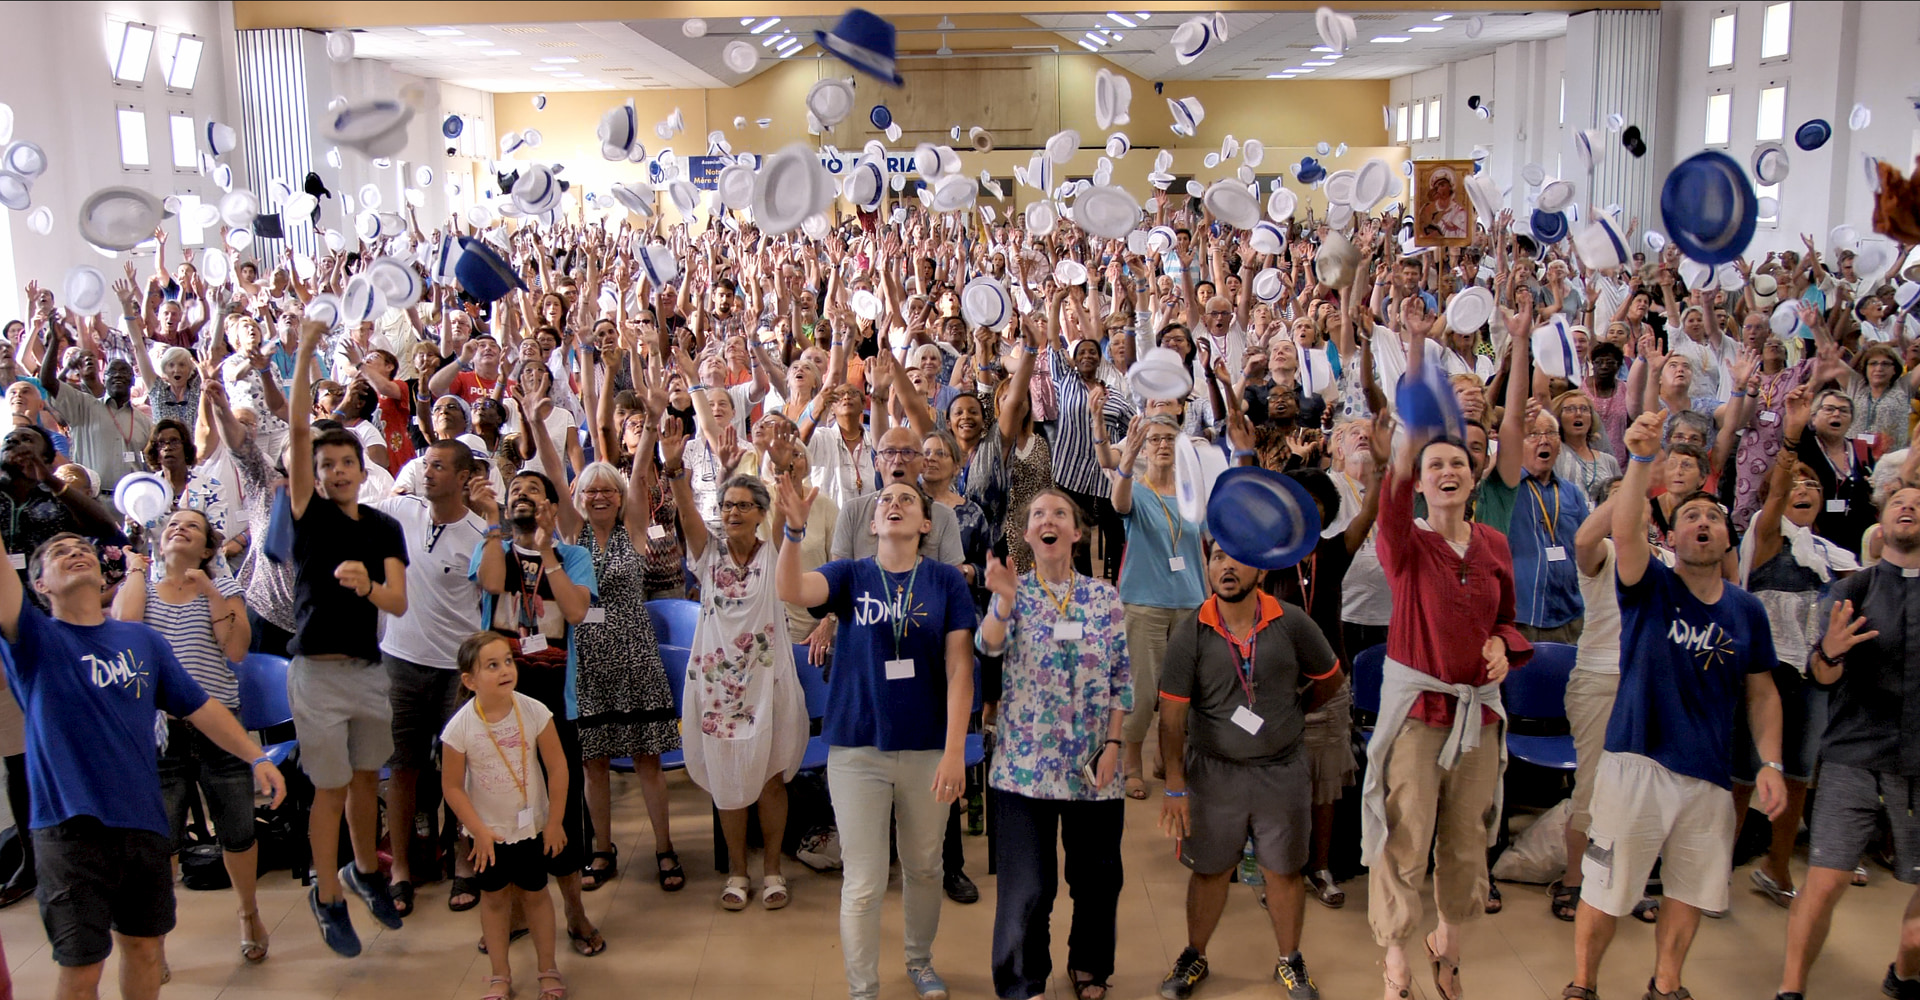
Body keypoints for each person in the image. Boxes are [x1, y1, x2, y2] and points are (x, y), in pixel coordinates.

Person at [0, 528, 285, 1000]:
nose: (74, 553)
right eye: (58, 554)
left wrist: (255, 755)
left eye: (82, 549)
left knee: (144, 950)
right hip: (70, 830)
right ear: (39, 587)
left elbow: (200, 705)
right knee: (82, 969)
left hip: (140, 823)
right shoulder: (32, 640)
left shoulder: (141, 641)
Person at [1562, 410, 1787, 1000]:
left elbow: (1762, 691)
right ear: (1673, 538)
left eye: (1714, 516)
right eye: (1691, 516)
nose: (1704, 522)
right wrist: (1640, 461)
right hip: (1636, 761)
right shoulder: (1649, 585)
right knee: (1607, 889)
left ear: (1728, 537)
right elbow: (1626, 532)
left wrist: (1771, 762)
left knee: (1690, 892)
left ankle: (1666, 986)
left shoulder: (1746, 610)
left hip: (1708, 774)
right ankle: (1583, 985)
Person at [1360, 382, 1531, 1000]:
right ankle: (1397, 956)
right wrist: (1402, 456)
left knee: (1467, 839)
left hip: (1477, 719)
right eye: (1436, 465)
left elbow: (1509, 619)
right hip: (1418, 716)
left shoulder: (1495, 546)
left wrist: (1503, 647)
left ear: (1474, 474)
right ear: (1422, 483)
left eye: (1458, 462)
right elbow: (1391, 506)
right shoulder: (1406, 544)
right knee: (1406, 840)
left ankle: (1449, 948)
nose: (1448, 471)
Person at [775, 475, 975, 1000]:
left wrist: (955, 751)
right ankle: (862, 989)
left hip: (929, 747)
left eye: (907, 500)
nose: (894, 504)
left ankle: (919, 961)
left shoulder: (946, 582)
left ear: (925, 524)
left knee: (925, 867)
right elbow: (792, 590)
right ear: (871, 522)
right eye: (885, 499)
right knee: (863, 881)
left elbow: (960, 670)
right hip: (858, 746)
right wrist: (793, 532)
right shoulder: (850, 575)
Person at [1156, 540, 1341, 1000]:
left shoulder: (1292, 621)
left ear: (1261, 571)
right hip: (1214, 773)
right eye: (1217, 556)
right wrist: (1176, 786)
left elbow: (1330, 679)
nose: (1226, 566)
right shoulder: (1191, 632)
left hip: (1282, 770)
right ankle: (1193, 954)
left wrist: (1292, 715)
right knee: (1211, 870)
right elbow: (1172, 717)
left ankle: (1290, 961)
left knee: (1283, 870)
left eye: (1237, 557)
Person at [285, 320, 411, 957]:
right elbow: (301, 431)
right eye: (325, 464)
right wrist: (308, 350)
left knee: (369, 779)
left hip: (368, 668)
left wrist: (366, 587)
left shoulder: (385, 528)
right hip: (316, 671)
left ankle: (366, 873)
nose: (335, 469)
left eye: (345, 462)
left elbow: (398, 600)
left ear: (364, 470)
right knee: (331, 788)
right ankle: (327, 896)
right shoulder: (307, 514)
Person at [974, 488, 1130, 1000]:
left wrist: (1113, 744)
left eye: (1060, 513)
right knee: (1029, 889)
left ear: (1077, 533)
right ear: (1027, 534)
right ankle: (1024, 979)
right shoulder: (1014, 592)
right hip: (1025, 767)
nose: (1049, 520)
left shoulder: (1103, 597)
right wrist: (1004, 600)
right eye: (1039, 514)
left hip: (1093, 764)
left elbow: (1120, 679)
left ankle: (1089, 965)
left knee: (1097, 880)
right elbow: (988, 645)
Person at [1770, 484, 1920, 1000]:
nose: (1909, 506)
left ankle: (1904, 970)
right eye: (1901, 500)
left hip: (1919, 762)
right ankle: (1791, 989)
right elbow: (1820, 675)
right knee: (1827, 880)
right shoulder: (1853, 588)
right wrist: (1830, 654)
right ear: (1881, 521)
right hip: (1852, 755)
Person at [663, 432, 808, 910]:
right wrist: (675, 470)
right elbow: (686, 515)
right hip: (717, 684)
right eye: (727, 505)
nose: (732, 513)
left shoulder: (775, 552)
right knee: (727, 776)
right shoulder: (708, 556)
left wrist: (783, 466)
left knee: (770, 777)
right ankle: (737, 872)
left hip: (769, 680)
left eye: (744, 505)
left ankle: (771, 870)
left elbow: (791, 516)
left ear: (762, 513)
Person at [113, 510, 260, 965]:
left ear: (208, 548)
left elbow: (235, 649)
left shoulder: (226, 589)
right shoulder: (141, 587)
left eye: (192, 527)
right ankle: (155, 939)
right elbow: (124, 634)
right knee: (162, 841)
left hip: (218, 724)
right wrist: (136, 571)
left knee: (237, 831)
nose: (179, 529)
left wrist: (211, 589)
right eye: (172, 524)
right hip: (159, 733)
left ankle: (248, 913)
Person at [471, 468, 606, 958]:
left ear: (552, 505)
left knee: (560, 808)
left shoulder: (575, 557)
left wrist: (548, 553)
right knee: (503, 806)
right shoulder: (495, 549)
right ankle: (516, 911)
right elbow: (489, 583)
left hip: (552, 705)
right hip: (497, 705)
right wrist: (493, 522)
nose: (521, 496)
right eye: (514, 492)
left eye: (533, 491)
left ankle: (573, 910)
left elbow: (575, 612)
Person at [1735, 386, 1858, 909]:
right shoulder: (1764, 538)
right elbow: (1781, 482)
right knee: (1743, 774)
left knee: (1799, 775)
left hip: (1813, 679)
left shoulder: (1835, 556)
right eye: (1794, 485)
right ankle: (1717, 865)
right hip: (1763, 677)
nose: (1803, 489)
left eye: (1812, 483)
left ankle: (1777, 864)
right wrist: (1790, 438)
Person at [368, 440, 491, 916]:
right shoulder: (399, 509)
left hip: (456, 671)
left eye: (438, 466)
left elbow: (493, 595)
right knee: (403, 768)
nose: (428, 472)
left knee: (459, 772)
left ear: (463, 477)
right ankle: (402, 868)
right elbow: (350, 516)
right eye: (425, 465)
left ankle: (463, 861)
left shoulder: (481, 531)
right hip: (400, 660)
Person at [440, 632, 570, 1000]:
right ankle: (500, 975)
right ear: (469, 680)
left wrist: (556, 820)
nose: (504, 670)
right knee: (495, 900)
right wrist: (477, 830)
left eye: (508, 662)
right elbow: (452, 786)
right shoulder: (460, 727)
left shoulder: (534, 711)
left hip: (532, 829)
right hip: (488, 836)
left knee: (536, 895)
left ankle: (548, 968)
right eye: (492, 665)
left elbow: (558, 767)